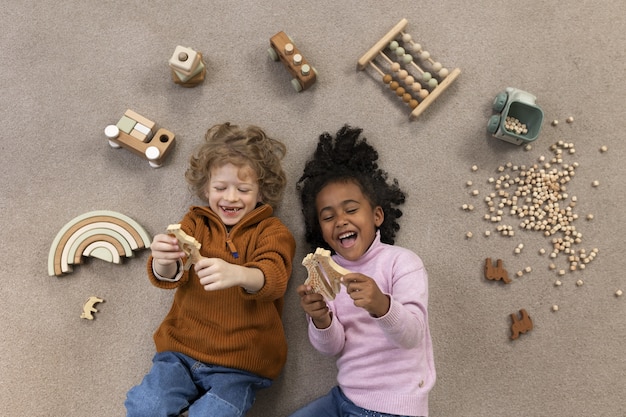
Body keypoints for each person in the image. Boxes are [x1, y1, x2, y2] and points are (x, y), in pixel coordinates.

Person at [125, 122, 296, 417]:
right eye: (220, 188)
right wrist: (164, 260)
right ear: (206, 188)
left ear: (262, 191)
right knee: (145, 406)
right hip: (180, 350)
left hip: (241, 364)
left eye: (243, 189)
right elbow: (169, 274)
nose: (230, 198)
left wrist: (240, 274)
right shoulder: (194, 223)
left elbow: (275, 276)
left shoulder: (272, 230)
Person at [290, 125, 435, 417]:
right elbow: (333, 348)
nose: (340, 221)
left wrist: (381, 305)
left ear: (377, 216)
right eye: (328, 217)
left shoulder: (402, 262)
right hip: (345, 398)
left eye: (351, 210)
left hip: (395, 407)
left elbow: (412, 336)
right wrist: (321, 319)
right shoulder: (323, 274)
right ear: (322, 230)